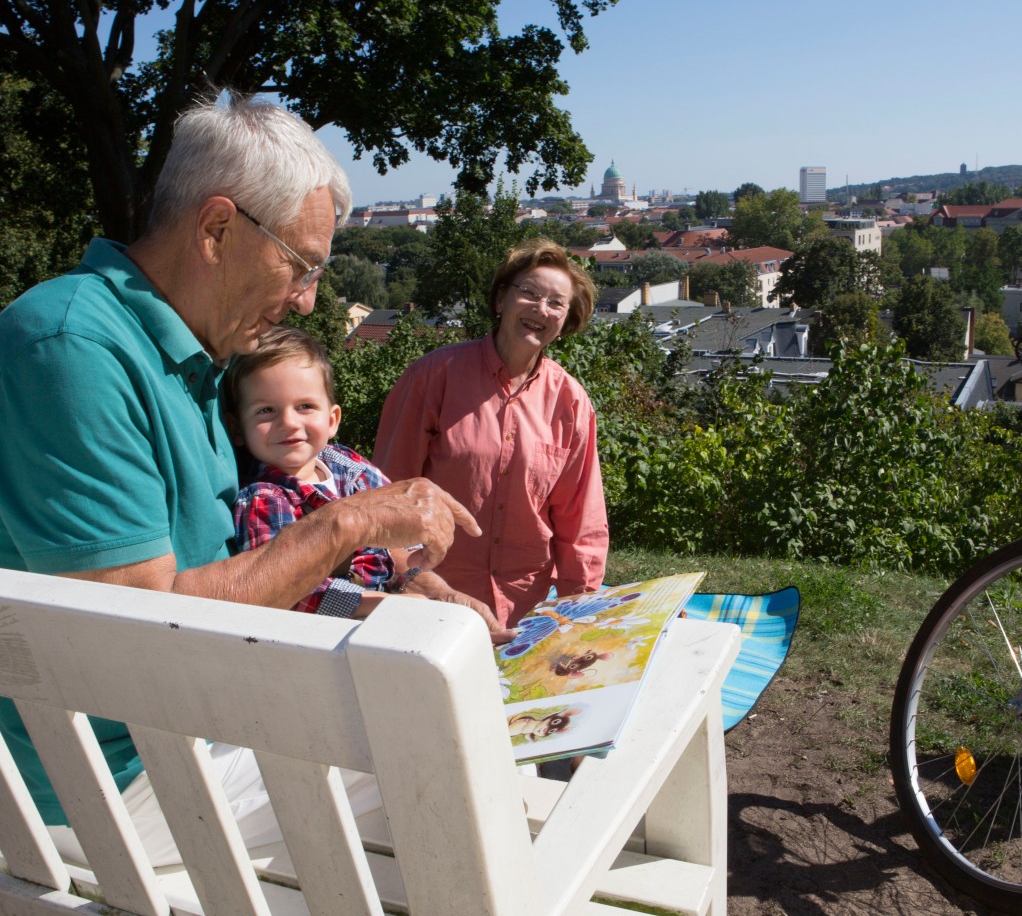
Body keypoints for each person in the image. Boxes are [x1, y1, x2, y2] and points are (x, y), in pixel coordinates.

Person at [0, 93, 487, 867]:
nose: (307, 300)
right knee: (451, 748)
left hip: (195, 723)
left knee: (458, 701)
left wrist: (393, 589)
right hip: (110, 784)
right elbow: (130, 629)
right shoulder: (69, 347)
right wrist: (346, 524)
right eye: (301, 266)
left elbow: (239, 566)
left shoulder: (200, 359)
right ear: (217, 229)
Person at [374, 239, 609, 628]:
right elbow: (388, 490)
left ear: (566, 322)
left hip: (524, 607)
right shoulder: (434, 377)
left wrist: (578, 611)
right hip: (432, 599)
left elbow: (580, 519)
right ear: (501, 300)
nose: (540, 309)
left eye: (556, 303)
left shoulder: (571, 402)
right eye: (529, 293)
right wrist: (408, 578)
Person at [225, 324, 513, 633]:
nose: (289, 422)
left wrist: (435, 591)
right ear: (239, 429)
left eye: (305, 406)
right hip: (328, 641)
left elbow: (395, 545)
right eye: (266, 411)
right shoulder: (264, 498)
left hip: (389, 621)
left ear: (332, 419)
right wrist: (386, 606)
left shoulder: (346, 465)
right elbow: (283, 591)